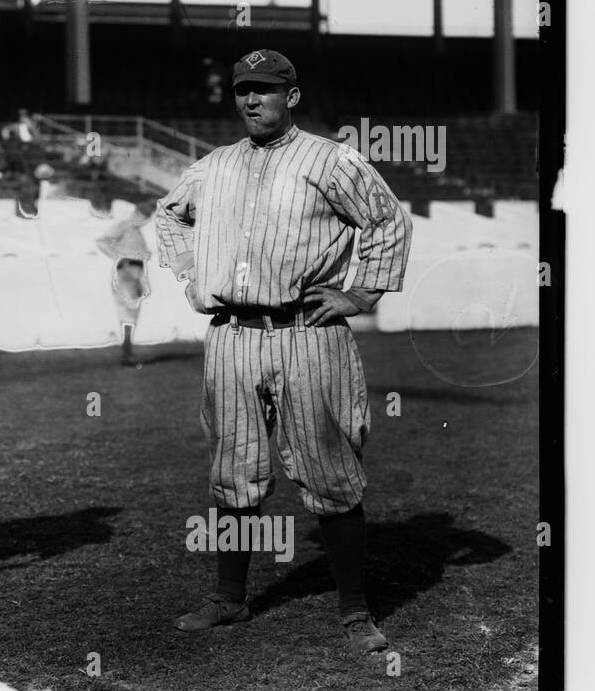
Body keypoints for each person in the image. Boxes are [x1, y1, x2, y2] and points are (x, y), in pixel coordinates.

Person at [155, 49, 412, 655]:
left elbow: (386, 220)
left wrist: (361, 293)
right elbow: (169, 217)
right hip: (232, 336)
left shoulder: (330, 159)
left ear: (291, 96)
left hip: (308, 333)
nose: (252, 99)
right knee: (233, 471)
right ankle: (229, 601)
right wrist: (193, 272)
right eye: (244, 89)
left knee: (330, 472)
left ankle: (355, 613)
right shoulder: (213, 166)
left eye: (266, 89)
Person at [96, 199, 156, 364]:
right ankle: (126, 353)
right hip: (127, 271)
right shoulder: (125, 226)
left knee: (132, 313)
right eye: (140, 214)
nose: (142, 219)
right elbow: (102, 241)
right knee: (128, 311)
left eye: (145, 217)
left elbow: (136, 251)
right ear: (135, 212)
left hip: (136, 271)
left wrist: (141, 255)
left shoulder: (136, 230)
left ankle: (127, 351)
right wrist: (118, 255)